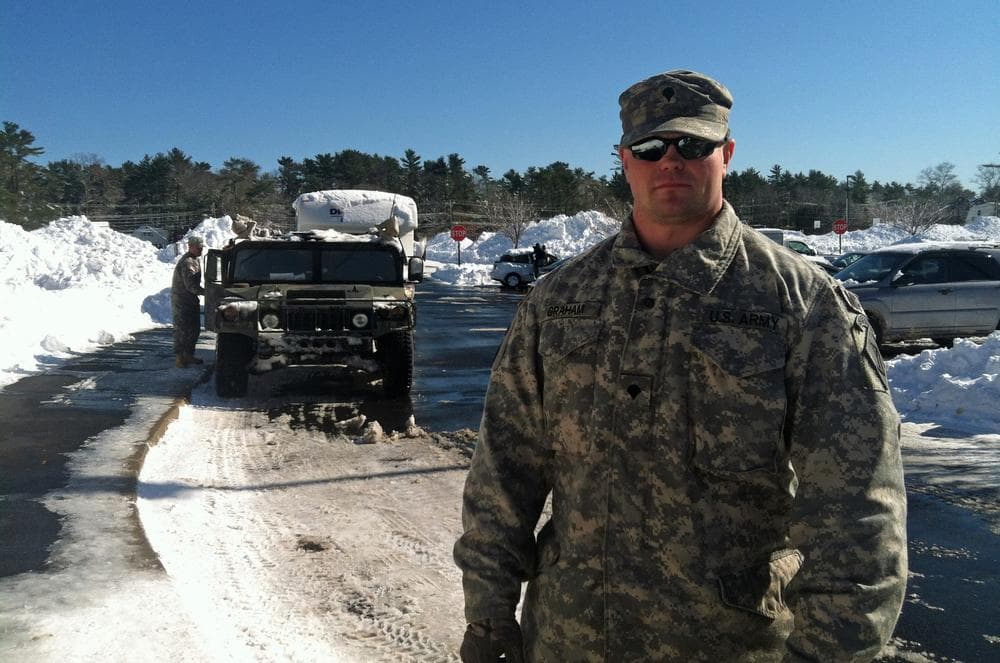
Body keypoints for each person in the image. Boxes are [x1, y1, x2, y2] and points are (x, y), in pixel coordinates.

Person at [454, 70, 906, 662]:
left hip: (728, 645)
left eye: (694, 144)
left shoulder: (799, 302)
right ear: (623, 160)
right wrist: (488, 620)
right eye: (650, 147)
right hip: (569, 638)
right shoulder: (560, 300)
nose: (671, 160)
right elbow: (503, 472)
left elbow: (858, 509)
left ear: (727, 154)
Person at [171, 235, 205, 368]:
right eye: (198, 247)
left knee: (194, 329)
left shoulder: (195, 260)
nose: (201, 249)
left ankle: (188, 355)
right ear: (190, 247)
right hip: (182, 301)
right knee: (182, 330)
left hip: (190, 300)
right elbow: (191, 286)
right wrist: (208, 292)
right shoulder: (187, 262)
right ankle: (180, 358)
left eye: (202, 247)